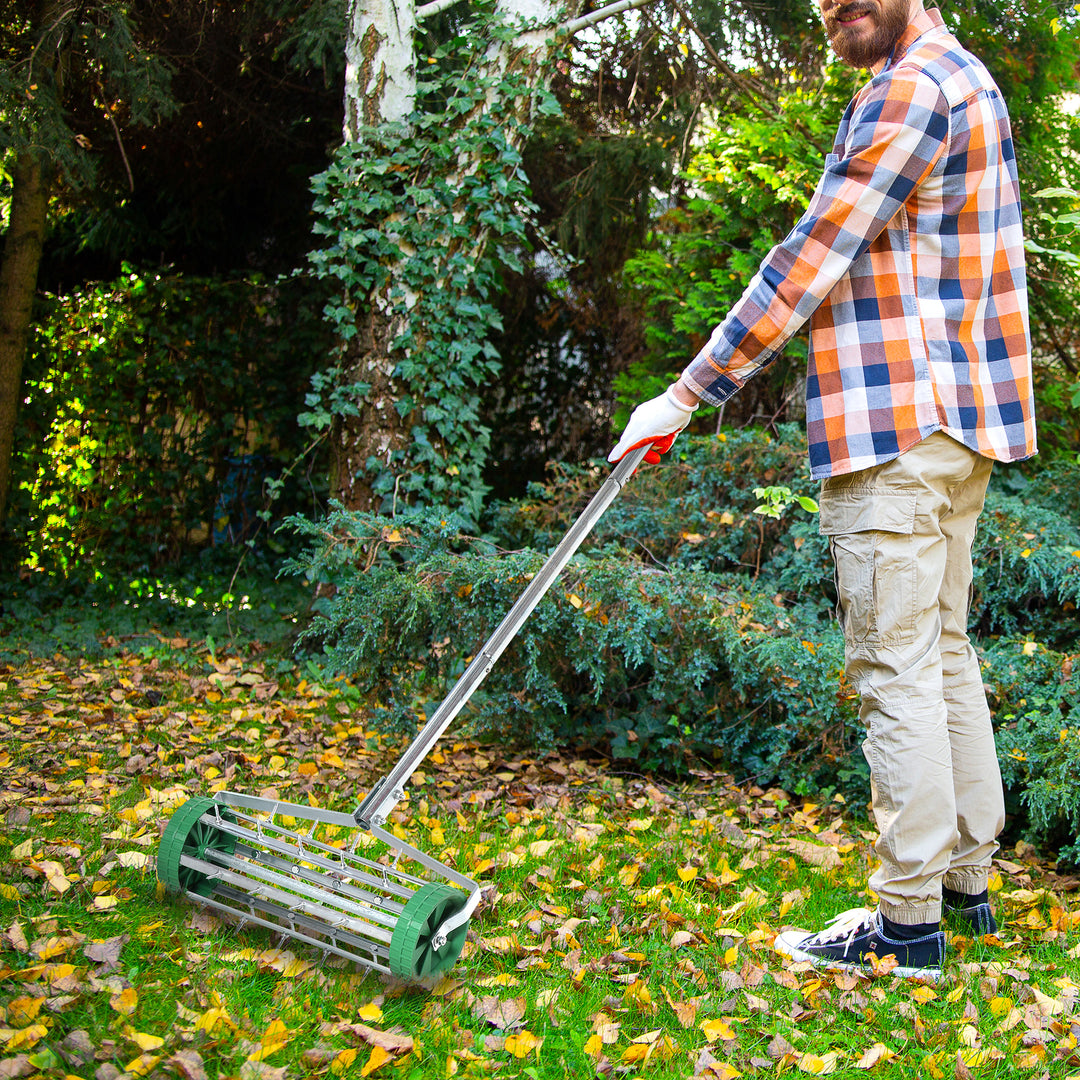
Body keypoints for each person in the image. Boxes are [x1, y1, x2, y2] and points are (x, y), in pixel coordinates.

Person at [608, 0, 1036, 982]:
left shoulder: (908, 90)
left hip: (896, 427)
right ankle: (965, 891)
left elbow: (810, 258)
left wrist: (685, 395)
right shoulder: (967, 77)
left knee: (893, 666)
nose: (831, 5)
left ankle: (905, 925)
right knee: (939, 650)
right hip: (956, 422)